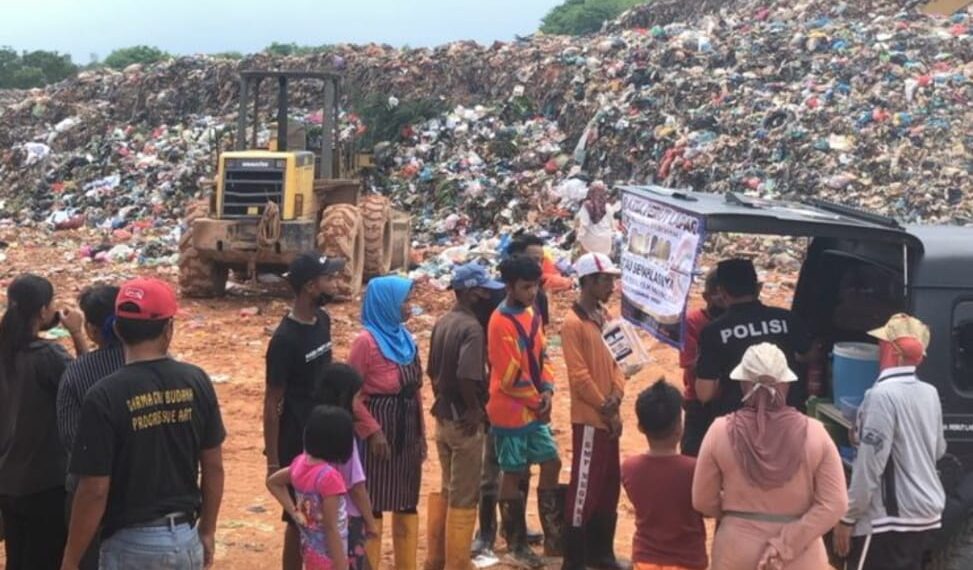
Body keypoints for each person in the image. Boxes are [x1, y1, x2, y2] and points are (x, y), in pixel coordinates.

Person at [62, 278, 225, 570]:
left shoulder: (103, 395)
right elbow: (213, 467)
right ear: (169, 329)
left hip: (129, 546)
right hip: (185, 538)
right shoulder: (196, 380)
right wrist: (207, 530)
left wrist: (71, 560)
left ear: (117, 329)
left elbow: (94, 489)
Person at [693, 343, 847, 570]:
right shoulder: (815, 433)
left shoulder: (719, 431)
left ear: (743, 384)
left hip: (737, 551)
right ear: (786, 384)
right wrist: (786, 544)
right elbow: (835, 504)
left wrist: (735, 516)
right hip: (801, 556)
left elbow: (702, 500)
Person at [833, 314, 945, 570]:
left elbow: (870, 466)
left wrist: (848, 517)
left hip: (890, 519)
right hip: (926, 513)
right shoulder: (930, 392)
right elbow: (938, 449)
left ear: (890, 350)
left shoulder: (882, 395)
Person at [0, 274, 87, 570]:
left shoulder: (7, 351)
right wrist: (78, 333)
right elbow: (87, 389)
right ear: (41, 311)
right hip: (45, 481)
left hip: (8, 481)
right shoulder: (48, 356)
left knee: (18, 558)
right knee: (46, 559)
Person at [265, 252, 345, 570]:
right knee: (298, 520)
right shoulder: (285, 340)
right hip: (296, 438)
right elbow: (272, 402)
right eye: (329, 278)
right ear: (311, 286)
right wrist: (273, 460)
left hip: (323, 433)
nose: (335, 284)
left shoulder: (323, 321)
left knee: (325, 513)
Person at [425, 263, 504, 570]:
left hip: (443, 416)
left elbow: (432, 372)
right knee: (464, 495)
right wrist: (474, 409)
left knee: (448, 488)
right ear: (471, 293)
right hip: (464, 422)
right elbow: (467, 375)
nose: (487, 297)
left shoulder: (443, 322)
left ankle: (437, 558)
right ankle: (457, 562)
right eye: (483, 291)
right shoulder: (471, 328)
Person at [486, 255, 563, 569]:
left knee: (552, 461)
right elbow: (509, 377)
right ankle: (516, 543)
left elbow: (543, 356)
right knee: (514, 471)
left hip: (533, 406)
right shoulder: (500, 322)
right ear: (509, 287)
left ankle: (553, 535)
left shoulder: (532, 313)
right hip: (510, 410)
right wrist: (538, 401)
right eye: (526, 287)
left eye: (535, 286)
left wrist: (548, 390)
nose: (532, 292)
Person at [561, 253, 632, 570]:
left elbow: (620, 361)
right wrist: (606, 406)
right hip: (590, 419)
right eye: (605, 280)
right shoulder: (572, 324)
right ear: (587, 281)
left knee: (607, 485)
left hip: (607, 415)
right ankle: (574, 560)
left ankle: (601, 553)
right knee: (584, 488)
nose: (611, 287)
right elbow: (579, 377)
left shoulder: (605, 316)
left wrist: (616, 395)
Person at [349, 275, 424, 570]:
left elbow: (414, 391)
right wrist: (372, 432)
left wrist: (420, 435)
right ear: (386, 304)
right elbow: (351, 396)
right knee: (374, 503)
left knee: (407, 501)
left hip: (406, 431)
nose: (409, 306)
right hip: (378, 436)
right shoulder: (365, 343)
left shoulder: (406, 340)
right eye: (405, 301)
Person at [56, 284, 125, 570]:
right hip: (148, 499)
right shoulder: (164, 368)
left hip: (90, 501)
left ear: (93, 330)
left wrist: (76, 333)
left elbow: (72, 441)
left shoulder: (77, 372)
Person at [695, 258, 813, 418]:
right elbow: (810, 354)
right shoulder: (787, 319)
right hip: (786, 416)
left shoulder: (713, 332)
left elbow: (705, 393)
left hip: (739, 419)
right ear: (757, 288)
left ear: (722, 292)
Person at [622, 381, 708, 570]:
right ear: (679, 427)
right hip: (688, 562)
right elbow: (707, 508)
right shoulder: (695, 469)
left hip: (645, 560)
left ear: (640, 427)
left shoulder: (629, 468)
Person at [267, 405, 353, 570]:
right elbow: (331, 527)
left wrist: (295, 512)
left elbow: (273, 482)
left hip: (310, 550)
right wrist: (341, 565)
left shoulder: (300, 463)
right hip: (330, 556)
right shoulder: (330, 478)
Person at [312, 363, 379, 570]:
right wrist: (370, 522)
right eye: (357, 397)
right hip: (347, 518)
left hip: (317, 514)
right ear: (344, 397)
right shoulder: (344, 433)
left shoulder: (313, 424)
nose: (359, 403)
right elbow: (356, 487)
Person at [679, 270, 725, 457]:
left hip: (728, 400)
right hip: (698, 401)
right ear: (706, 297)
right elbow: (690, 364)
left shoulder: (735, 320)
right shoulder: (692, 321)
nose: (724, 300)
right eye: (718, 296)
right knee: (693, 455)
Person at [574, 181, 617, 257]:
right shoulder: (608, 207)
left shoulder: (587, 206)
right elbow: (613, 227)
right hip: (606, 244)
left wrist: (577, 240)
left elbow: (583, 225)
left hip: (590, 244)